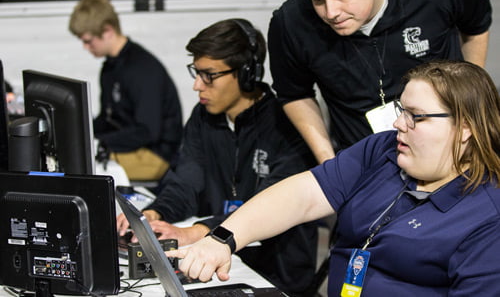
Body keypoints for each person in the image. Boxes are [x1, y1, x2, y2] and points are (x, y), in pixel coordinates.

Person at [169, 60, 500, 296]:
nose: (399, 124)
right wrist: (223, 239)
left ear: (465, 128)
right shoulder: (382, 150)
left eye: (417, 117)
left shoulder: (489, 215)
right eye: (402, 110)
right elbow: (304, 195)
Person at [116, 19, 318, 296]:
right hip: (215, 264)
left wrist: (197, 232)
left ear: (247, 74)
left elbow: (272, 205)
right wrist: (153, 214)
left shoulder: (286, 124)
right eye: (196, 73)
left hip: (275, 274)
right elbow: (186, 183)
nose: (198, 85)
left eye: (209, 75)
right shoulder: (203, 118)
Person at [268, 0, 492, 164]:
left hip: (449, 148)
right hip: (364, 159)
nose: (331, 13)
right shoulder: (290, 22)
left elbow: (476, 27)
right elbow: (295, 94)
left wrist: (471, 107)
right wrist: (329, 163)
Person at [68, 0, 183, 181]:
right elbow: (108, 119)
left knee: (82, 169)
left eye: (88, 41)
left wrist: (102, 142)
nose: (86, 47)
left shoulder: (142, 69)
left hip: (155, 154)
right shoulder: (110, 68)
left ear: (107, 31)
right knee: (73, 158)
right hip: (132, 146)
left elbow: (147, 131)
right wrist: (80, 134)